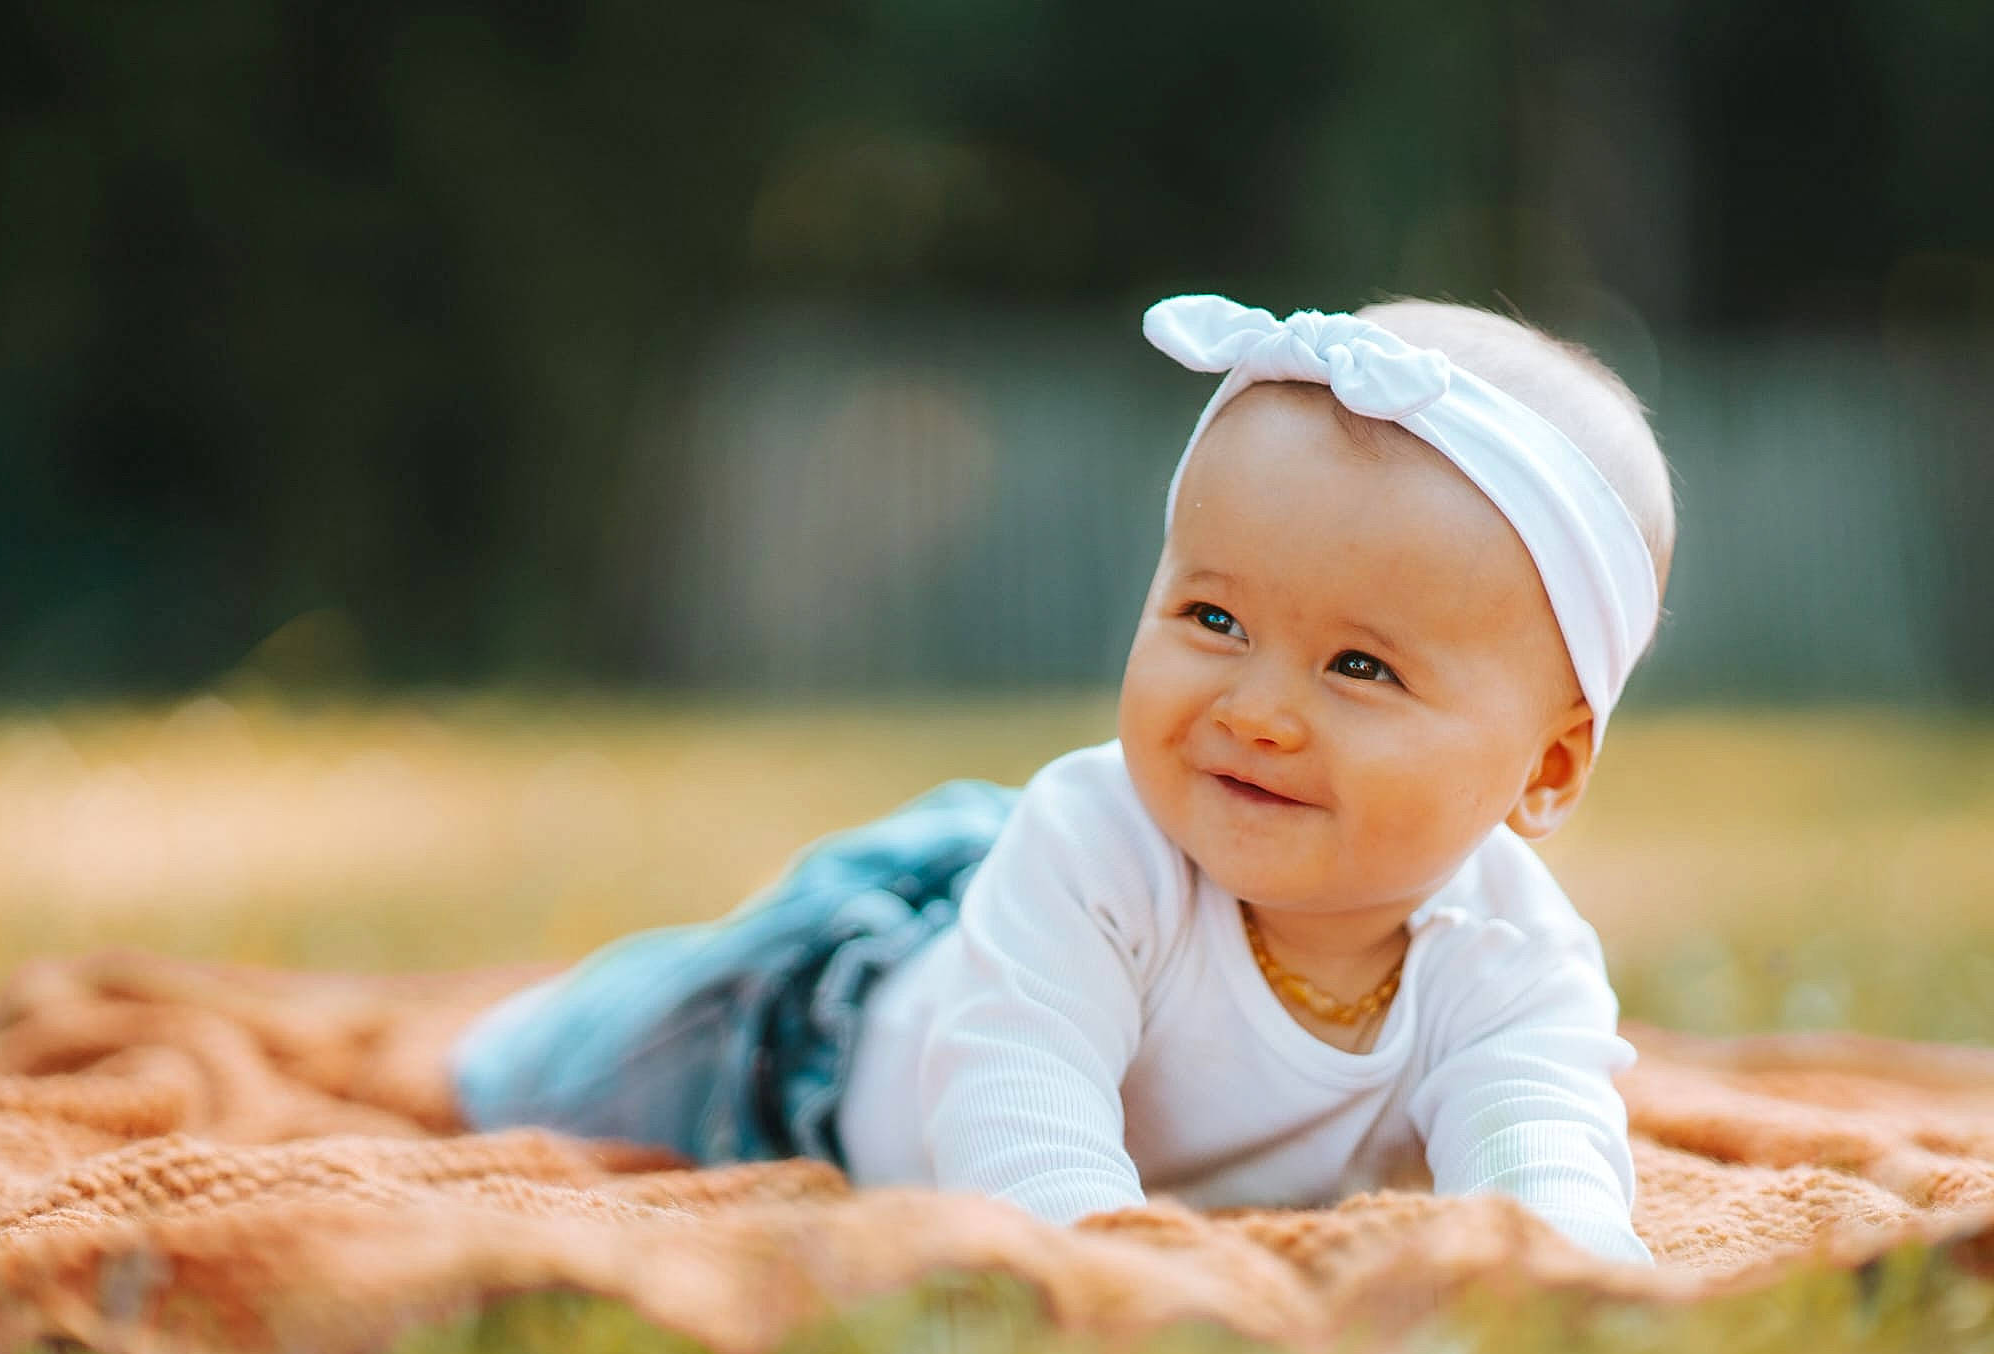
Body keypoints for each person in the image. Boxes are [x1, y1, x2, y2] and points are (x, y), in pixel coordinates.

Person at [450, 293, 1675, 1264]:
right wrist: (1097, 1262)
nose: (1256, 711)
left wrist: (1570, 1279)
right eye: (1212, 618)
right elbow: (1016, 1111)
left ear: (1548, 767)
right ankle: (513, 1033)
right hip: (814, 1040)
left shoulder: (1512, 958)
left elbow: (1542, 1151)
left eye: (1357, 666)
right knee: (571, 1073)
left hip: (970, 944)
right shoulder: (1101, 848)